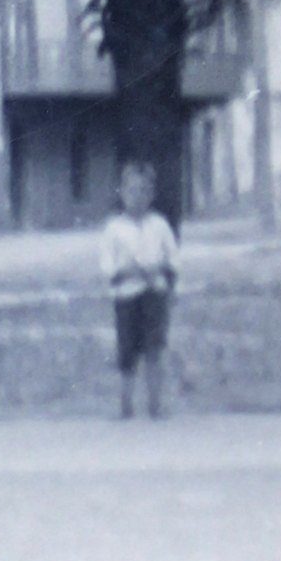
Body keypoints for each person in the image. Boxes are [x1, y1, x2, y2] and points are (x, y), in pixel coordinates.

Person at [100, 159, 179, 419]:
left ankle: (155, 406)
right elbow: (108, 269)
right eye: (132, 190)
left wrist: (159, 273)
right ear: (122, 192)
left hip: (154, 295)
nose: (138, 197)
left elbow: (172, 260)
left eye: (144, 191)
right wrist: (131, 272)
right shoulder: (114, 229)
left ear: (152, 194)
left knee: (154, 349)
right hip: (126, 297)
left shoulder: (159, 225)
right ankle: (126, 407)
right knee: (127, 351)